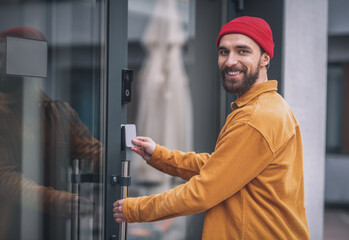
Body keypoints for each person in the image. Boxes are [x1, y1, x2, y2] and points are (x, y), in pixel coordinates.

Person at [113, 16, 310, 239]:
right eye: (224, 52)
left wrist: (134, 209)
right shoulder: (268, 107)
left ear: (265, 58)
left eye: (242, 51)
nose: (230, 61)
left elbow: (203, 191)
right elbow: (220, 167)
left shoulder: (255, 118)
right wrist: (160, 156)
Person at [0, 27, 102, 239]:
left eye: (7, 58)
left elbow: (93, 153)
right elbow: (4, 178)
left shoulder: (56, 112)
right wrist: (61, 201)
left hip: (51, 229)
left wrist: (137, 160)